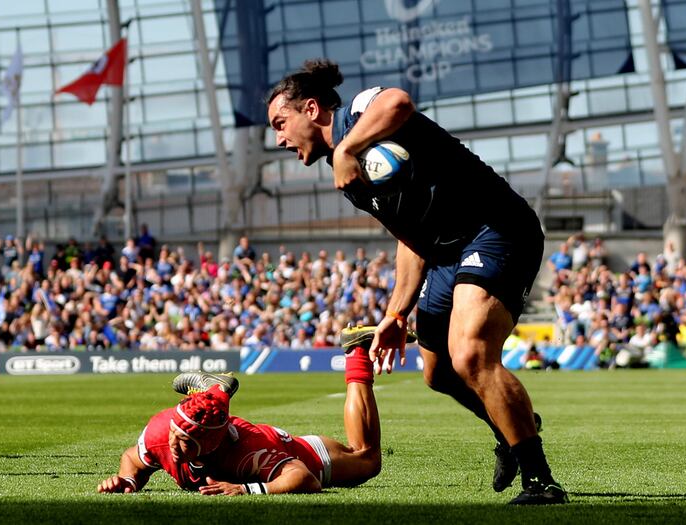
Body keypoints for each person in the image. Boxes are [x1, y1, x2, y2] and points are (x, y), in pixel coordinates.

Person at [266, 59, 566, 504]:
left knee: (470, 355)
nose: (279, 139)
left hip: (497, 228)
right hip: (445, 250)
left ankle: (541, 482)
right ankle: (511, 430)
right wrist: (395, 313)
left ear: (311, 109)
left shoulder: (361, 111)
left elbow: (399, 101)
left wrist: (349, 147)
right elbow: (409, 238)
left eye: (280, 123)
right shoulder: (349, 181)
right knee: (438, 372)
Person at [97, 344, 385, 495]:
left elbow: (305, 479)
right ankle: (218, 389)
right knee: (194, 419)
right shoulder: (161, 431)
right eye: (174, 433)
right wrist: (127, 481)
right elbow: (133, 459)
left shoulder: (248, 452)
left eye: (185, 441)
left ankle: (357, 351)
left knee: (368, 459)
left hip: (297, 452)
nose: (172, 444)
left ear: (209, 444)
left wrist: (247, 489)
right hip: (230, 435)